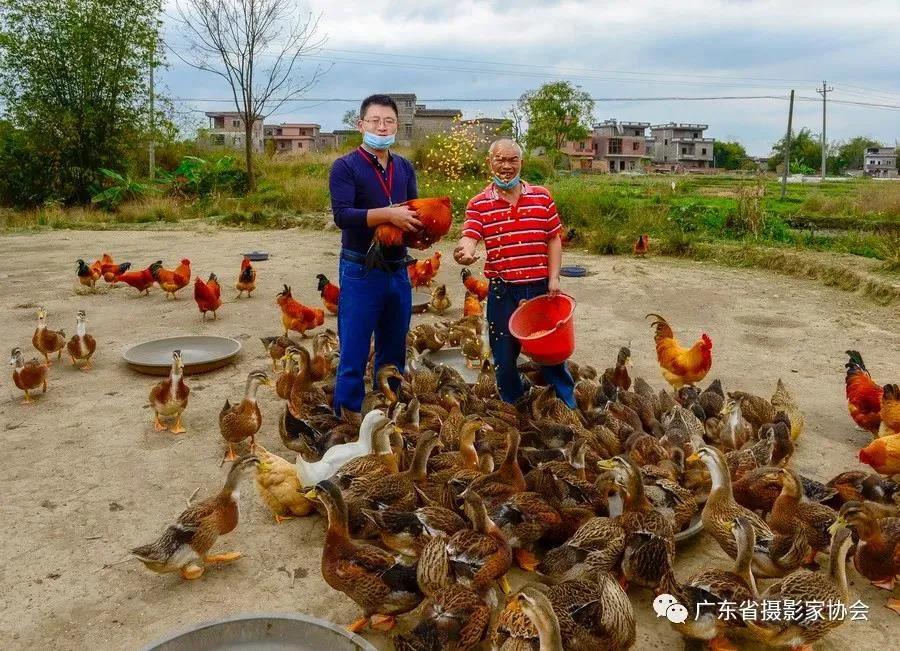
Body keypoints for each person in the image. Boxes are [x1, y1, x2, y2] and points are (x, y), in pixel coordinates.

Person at [454, 138, 576, 409]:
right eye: (500, 160)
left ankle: (568, 406)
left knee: (551, 353)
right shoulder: (479, 204)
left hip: (540, 289)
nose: (506, 166)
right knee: (503, 355)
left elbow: (553, 238)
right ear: (489, 162)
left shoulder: (541, 197)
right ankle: (514, 407)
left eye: (512, 160)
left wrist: (554, 277)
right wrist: (464, 251)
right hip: (503, 290)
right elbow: (470, 235)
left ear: (522, 162)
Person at [329, 94, 421, 415]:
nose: (382, 127)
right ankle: (347, 417)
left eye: (389, 121)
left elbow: (413, 211)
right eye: (375, 121)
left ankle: (388, 411)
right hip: (360, 269)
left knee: (394, 347)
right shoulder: (345, 167)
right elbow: (342, 215)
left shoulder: (404, 167)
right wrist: (387, 214)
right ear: (361, 125)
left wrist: (421, 228)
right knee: (354, 349)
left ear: (397, 126)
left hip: (397, 267)